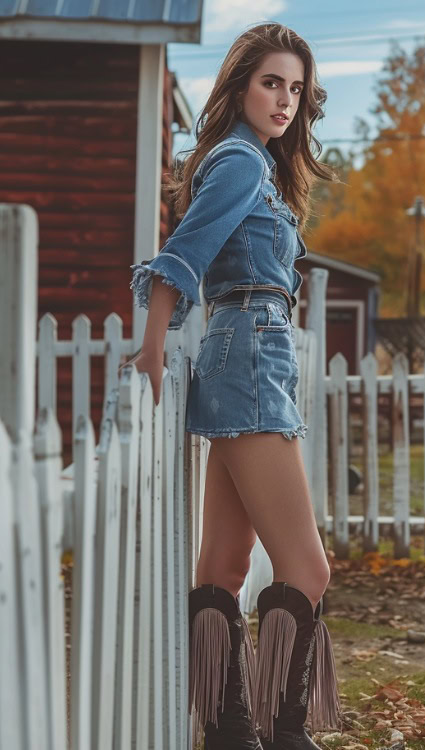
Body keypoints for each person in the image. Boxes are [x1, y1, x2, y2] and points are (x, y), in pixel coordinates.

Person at [121, 22, 344, 750]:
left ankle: (226, 734)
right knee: (308, 567)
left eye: (296, 89)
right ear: (240, 85)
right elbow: (181, 254)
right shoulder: (241, 164)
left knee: (223, 564)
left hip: (243, 350)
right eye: (270, 82)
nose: (285, 100)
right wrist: (153, 345)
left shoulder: (249, 164)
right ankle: (281, 736)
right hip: (250, 354)